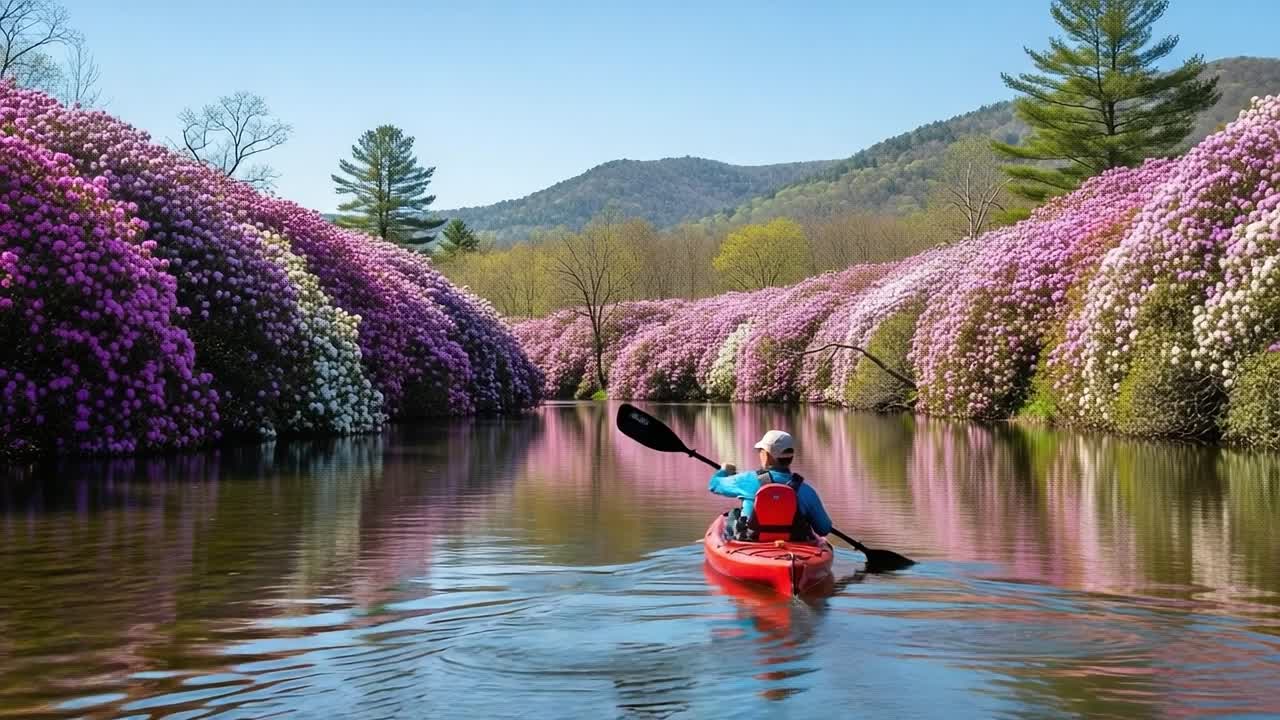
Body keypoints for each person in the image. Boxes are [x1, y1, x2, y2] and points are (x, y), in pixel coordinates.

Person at [708, 429, 832, 542]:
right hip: (794, 543)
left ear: (766, 455)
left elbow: (714, 485)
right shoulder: (806, 490)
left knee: (733, 515)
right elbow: (824, 528)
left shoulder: (746, 480)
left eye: (760, 451)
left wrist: (724, 471)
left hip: (751, 541)